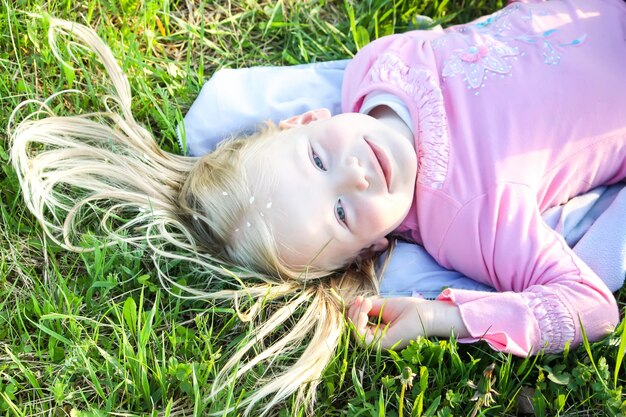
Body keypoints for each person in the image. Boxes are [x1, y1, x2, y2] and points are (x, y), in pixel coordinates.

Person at [9, 0, 626, 415]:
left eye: (315, 160)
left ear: (308, 118)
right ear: (374, 249)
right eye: (340, 215)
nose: (354, 176)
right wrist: (443, 318)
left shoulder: (376, 66)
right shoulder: (475, 220)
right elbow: (591, 309)